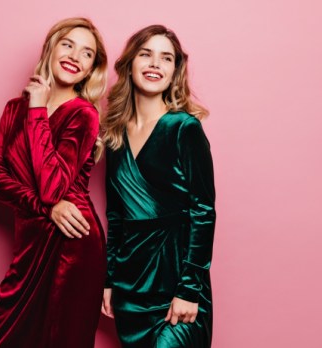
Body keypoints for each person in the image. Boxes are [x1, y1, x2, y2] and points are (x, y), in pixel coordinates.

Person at [0, 17, 108, 348]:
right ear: (51, 49)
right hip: (31, 242)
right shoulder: (12, 109)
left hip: (73, 240)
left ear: (92, 68)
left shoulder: (83, 115)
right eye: (68, 44)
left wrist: (37, 110)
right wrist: (43, 208)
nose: (75, 56)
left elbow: (54, 186)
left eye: (87, 53)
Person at [100, 24, 216, 348]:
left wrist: (189, 290)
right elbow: (116, 215)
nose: (155, 64)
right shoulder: (114, 137)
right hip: (130, 287)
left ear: (175, 71)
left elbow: (204, 212)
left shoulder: (184, 129)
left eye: (166, 58)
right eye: (146, 54)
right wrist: (110, 280)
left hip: (177, 283)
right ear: (130, 63)